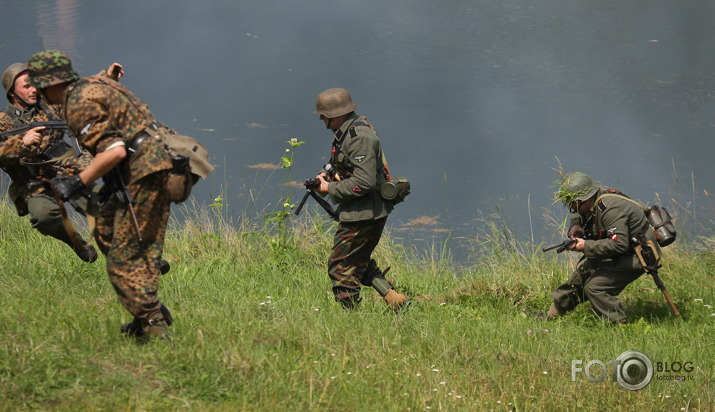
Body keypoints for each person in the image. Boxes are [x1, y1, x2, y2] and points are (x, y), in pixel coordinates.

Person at [26, 50, 176, 340]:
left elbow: (115, 151)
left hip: (146, 175)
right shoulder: (91, 86)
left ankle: (154, 327)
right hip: (152, 165)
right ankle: (145, 313)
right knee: (107, 231)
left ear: (50, 83)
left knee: (123, 259)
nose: (40, 93)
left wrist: (75, 183)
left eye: (41, 86)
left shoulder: (77, 102)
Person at [0, 61, 122, 262]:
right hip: (33, 184)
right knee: (44, 217)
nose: (34, 90)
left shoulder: (49, 106)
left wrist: (108, 78)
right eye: (26, 86)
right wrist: (22, 143)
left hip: (67, 174)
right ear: (12, 93)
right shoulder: (3, 122)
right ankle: (76, 243)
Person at [313, 88, 409, 310]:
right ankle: (394, 299)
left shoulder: (359, 137)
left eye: (324, 114)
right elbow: (344, 165)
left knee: (340, 266)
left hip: (364, 212)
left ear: (338, 114)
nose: (321, 118)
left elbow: (364, 182)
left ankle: (351, 317)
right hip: (361, 209)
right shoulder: (346, 132)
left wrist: (330, 188)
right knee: (358, 259)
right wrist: (325, 176)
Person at [538, 171, 660, 323]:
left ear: (586, 198)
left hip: (637, 255)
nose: (571, 207)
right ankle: (550, 317)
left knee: (595, 288)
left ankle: (619, 324)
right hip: (617, 251)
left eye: (575, 203)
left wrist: (585, 245)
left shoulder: (610, 209)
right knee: (579, 278)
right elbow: (578, 212)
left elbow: (619, 244)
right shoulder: (591, 198)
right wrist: (575, 225)